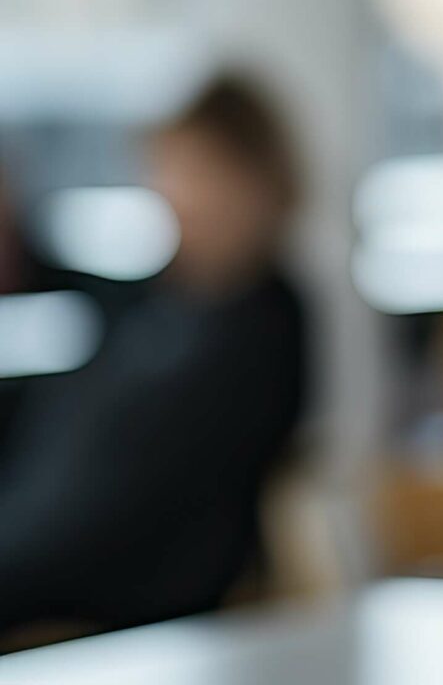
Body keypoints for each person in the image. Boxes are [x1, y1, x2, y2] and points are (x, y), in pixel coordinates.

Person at [0, 70, 311, 636]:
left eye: (200, 172)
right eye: (168, 169)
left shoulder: (259, 325)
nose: (179, 194)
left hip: (119, 589)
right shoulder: (167, 299)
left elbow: (127, 499)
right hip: (53, 543)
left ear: (257, 180)